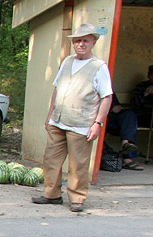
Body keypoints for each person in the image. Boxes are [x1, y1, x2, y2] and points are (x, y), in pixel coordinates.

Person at [31, 23, 113, 213]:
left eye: (85, 40)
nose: (81, 44)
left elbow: (106, 97)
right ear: (73, 43)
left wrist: (98, 123)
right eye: (77, 41)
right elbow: (57, 88)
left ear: (93, 42)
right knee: (50, 160)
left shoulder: (99, 67)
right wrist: (49, 114)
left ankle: (77, 198)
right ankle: (52, 195)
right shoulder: (67, 61)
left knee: (78, 164)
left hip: (81, 124)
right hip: (58, 120)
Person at [105, 93, 142, 170]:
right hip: (98, 118)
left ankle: (125, 143)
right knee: (127, 126)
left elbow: (117, 108)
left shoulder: (108, 88)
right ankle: (127, 158)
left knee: (129, 114)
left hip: (111, 118)